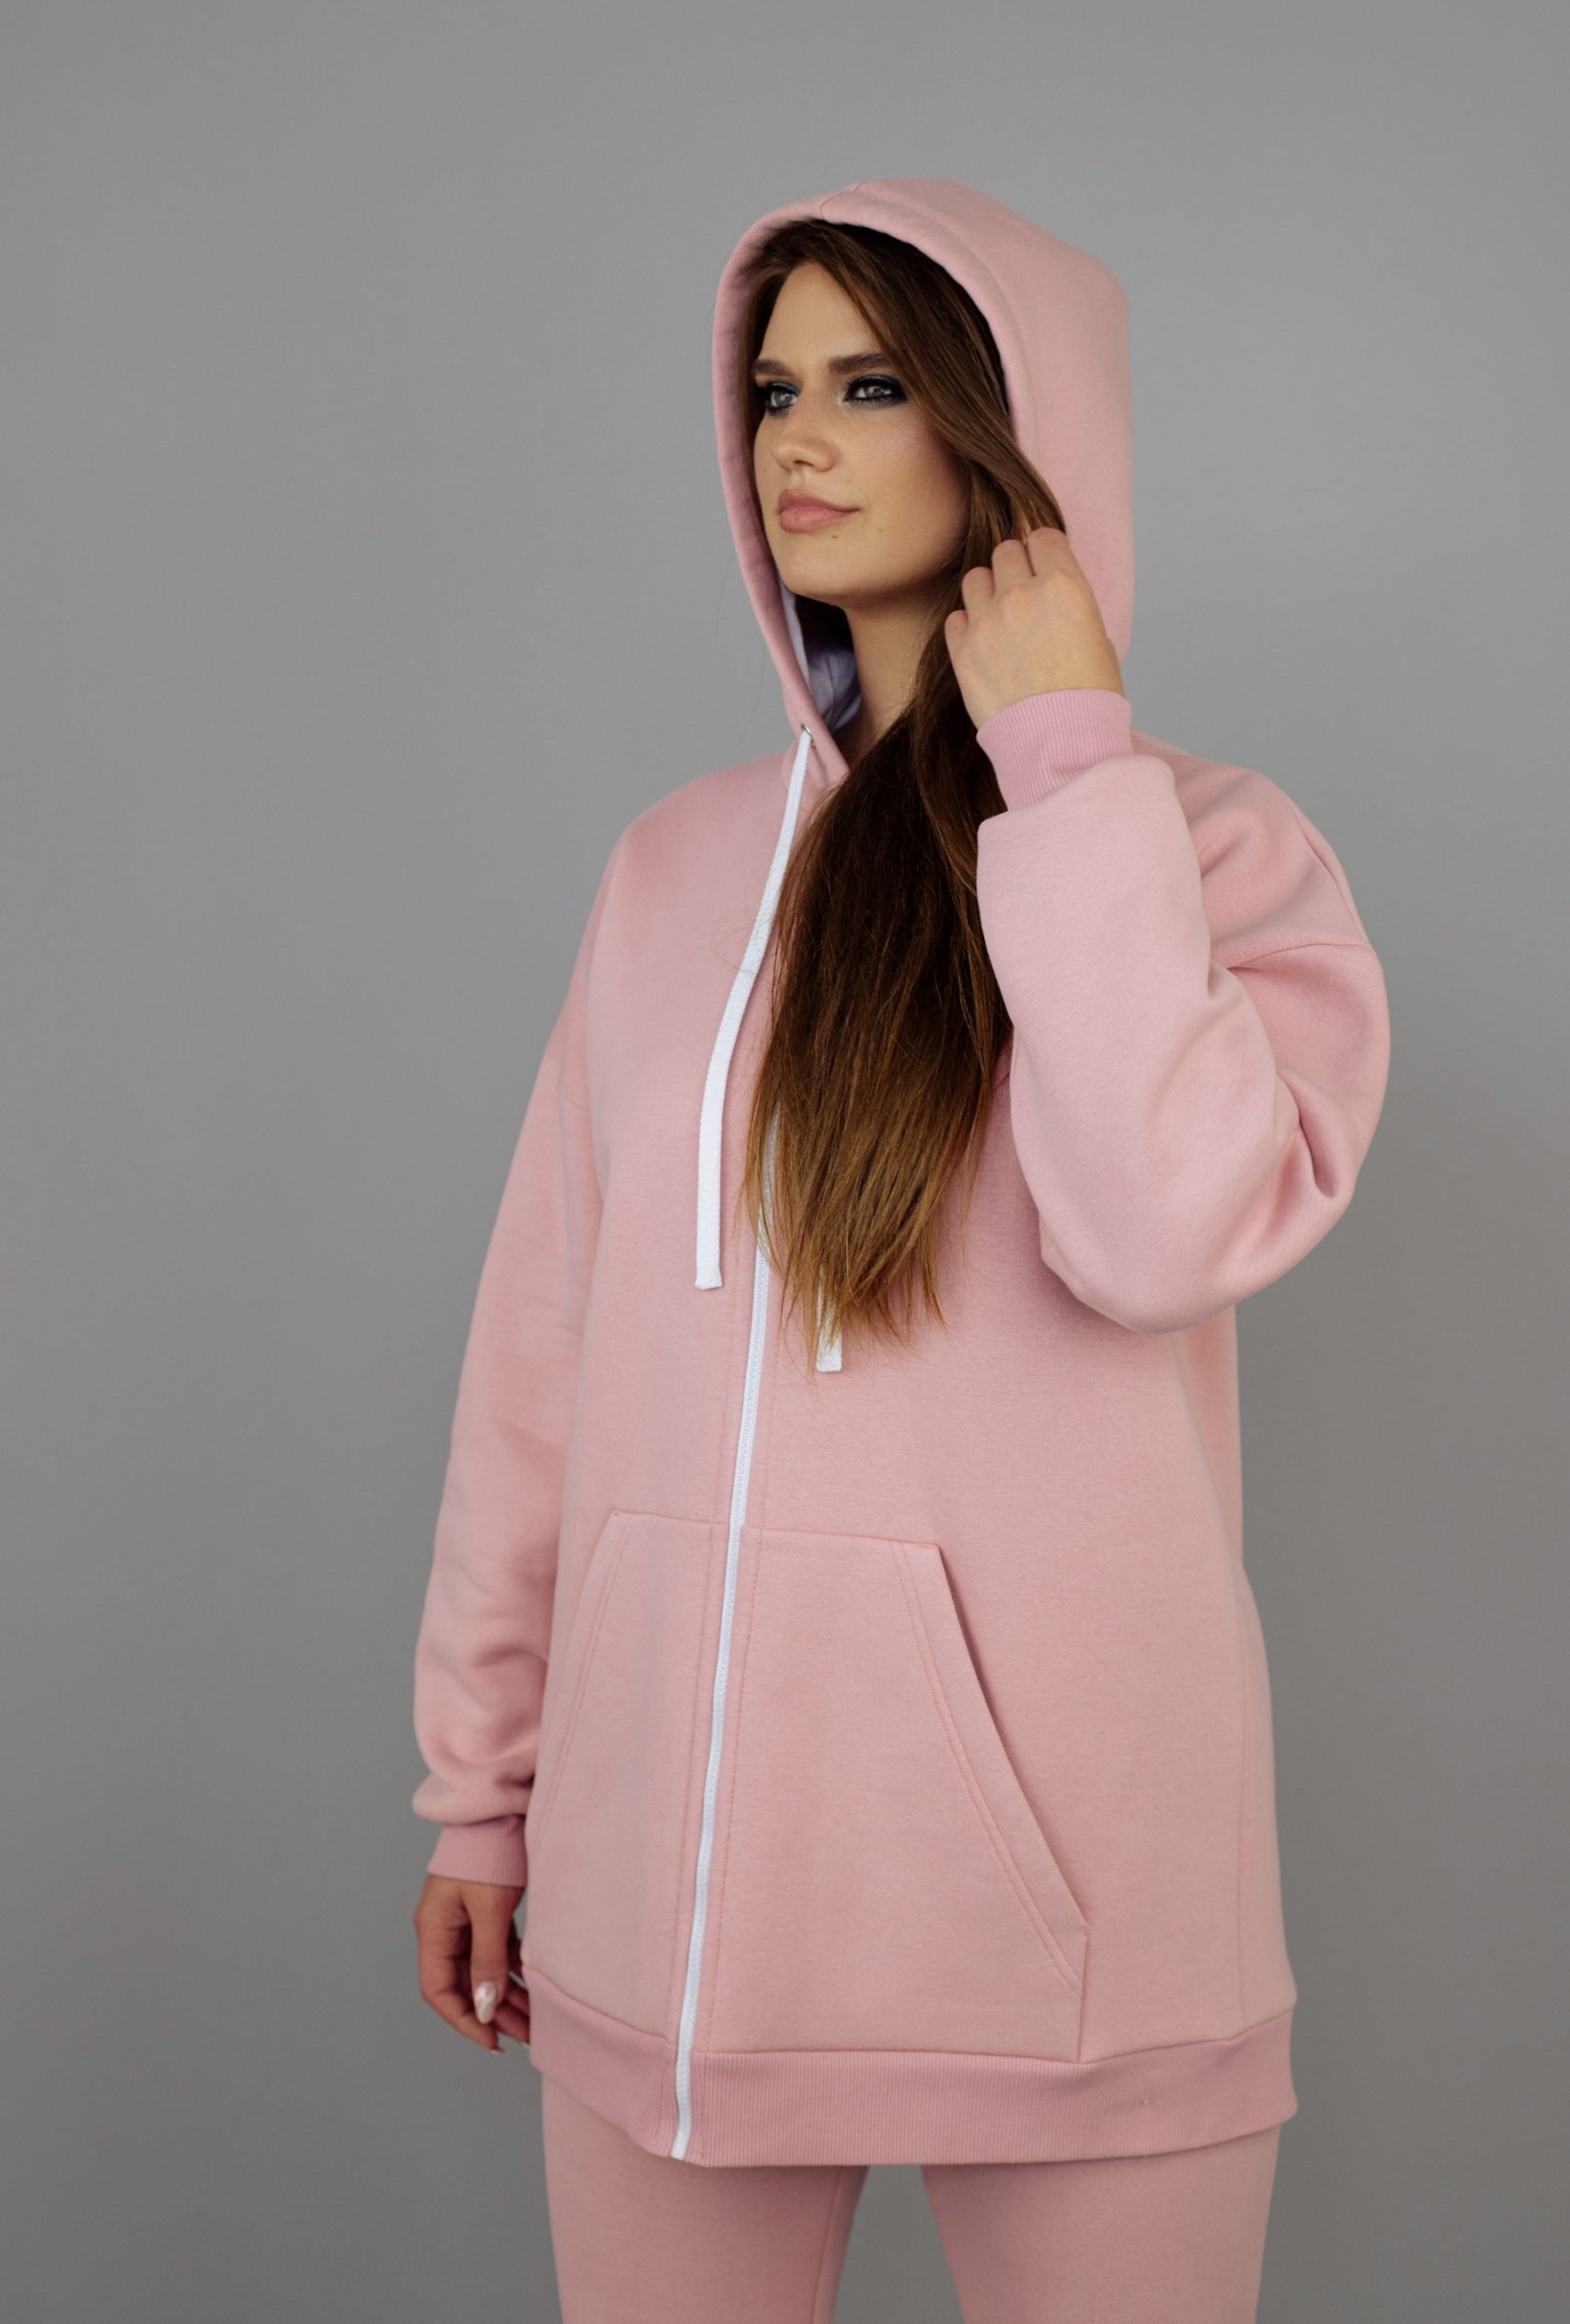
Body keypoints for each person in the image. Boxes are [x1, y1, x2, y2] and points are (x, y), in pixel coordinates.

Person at [408, 176, 1392, 2321]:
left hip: (1081, 1929)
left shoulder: (1206, 848)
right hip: (672, 1912)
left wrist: (1063, 765)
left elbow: (1165, 1231)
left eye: (868, 385)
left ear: (1007, 428)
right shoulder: (670, 872)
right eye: (771, 392)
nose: (796, 441)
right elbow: (540, 1356)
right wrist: (484, 1795)